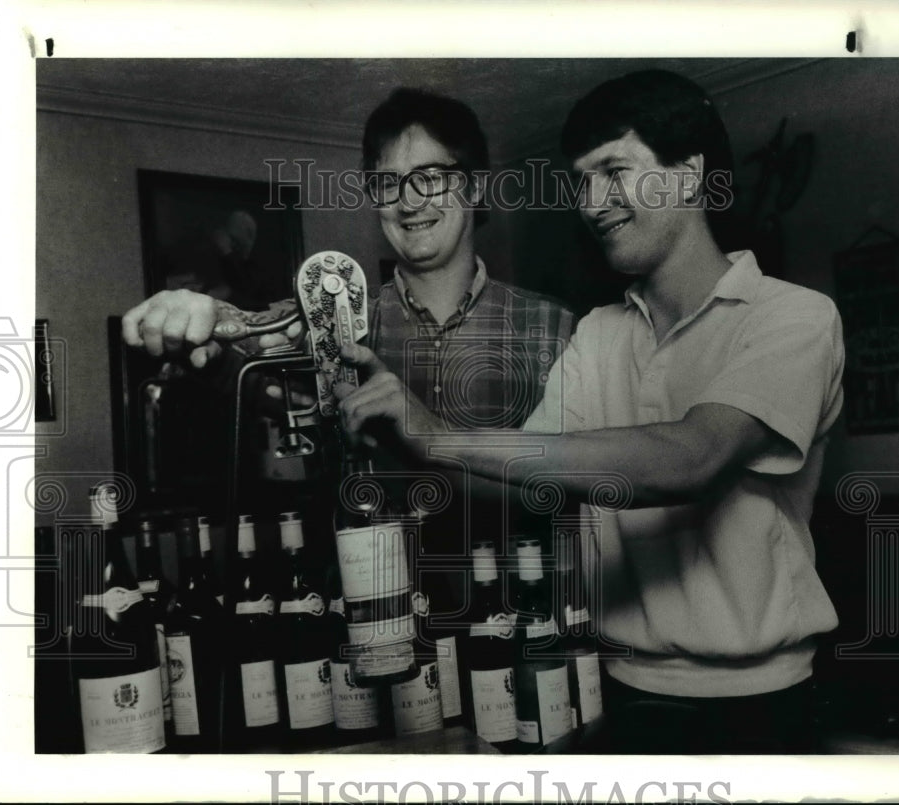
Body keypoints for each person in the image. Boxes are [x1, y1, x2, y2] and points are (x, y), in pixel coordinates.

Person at [335, 69, 845, 754]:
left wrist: (436, 434)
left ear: (689, 175)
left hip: (759, 705)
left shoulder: (794, 317)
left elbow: (689, 458)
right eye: (581, 181)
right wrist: (404, 432)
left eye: (613, 171)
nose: (593, 202)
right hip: (620, 692)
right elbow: (516, 481)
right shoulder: (600, 333)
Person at [121, 86, 576, 605]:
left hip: (521, 619)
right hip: (376, 620)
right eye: (387, 183)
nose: (408, 202)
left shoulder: (553, 328)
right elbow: (247, 345)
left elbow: (573, 486)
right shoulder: (332, 322)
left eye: (429, 177)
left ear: (474, 187)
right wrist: (197, 314)